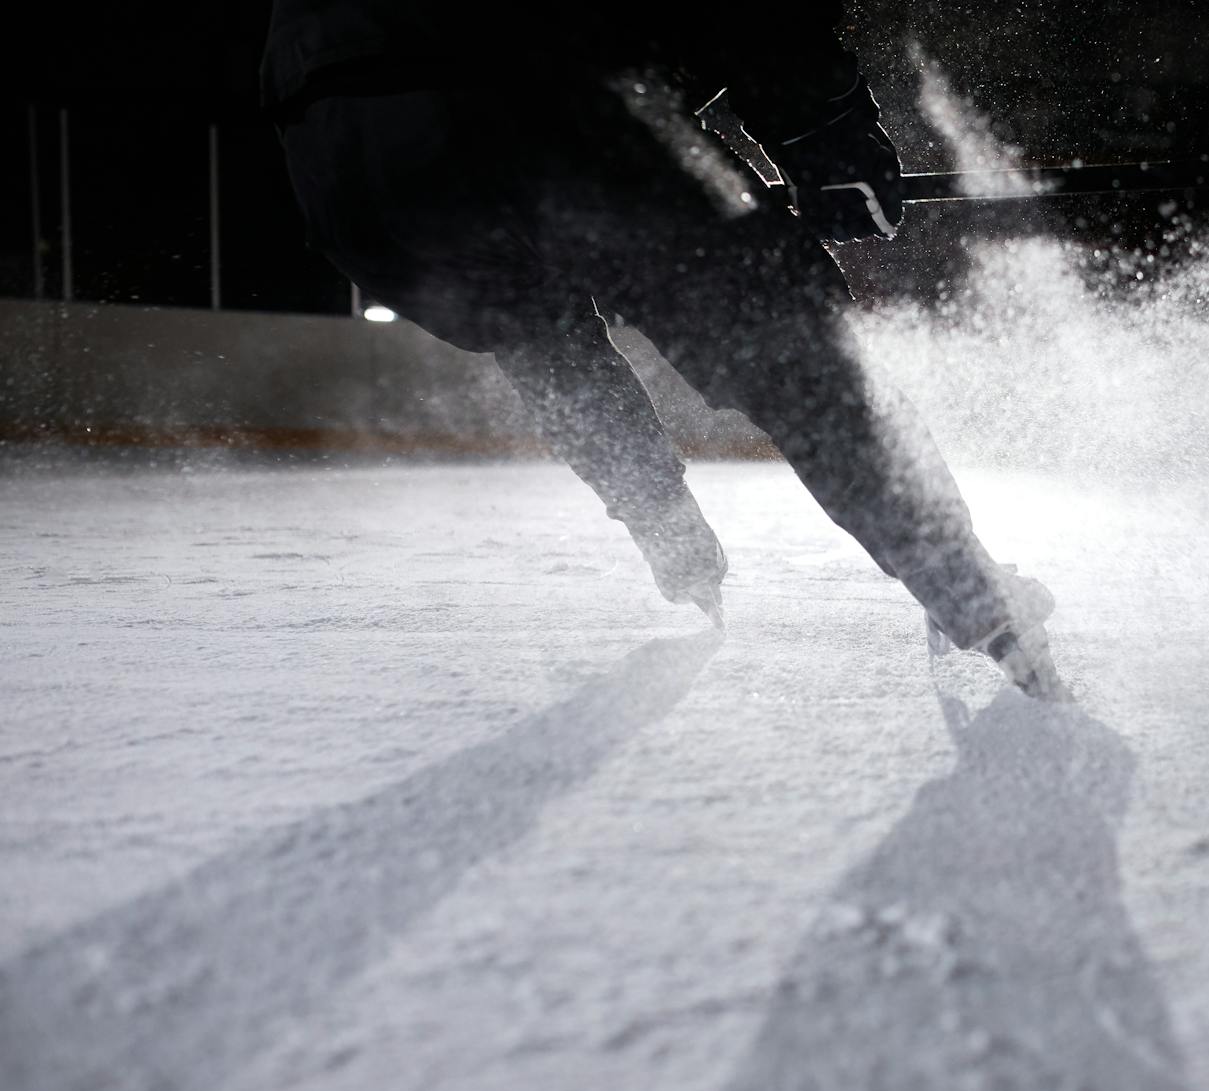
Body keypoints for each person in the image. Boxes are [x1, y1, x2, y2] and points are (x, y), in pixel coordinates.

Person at [261, 2, 1065, 697]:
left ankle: (670, 533)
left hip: (350, 178)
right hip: (539, 92)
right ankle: (969, 590)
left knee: (541, 336)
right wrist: (829, 142)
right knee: (780, 333)